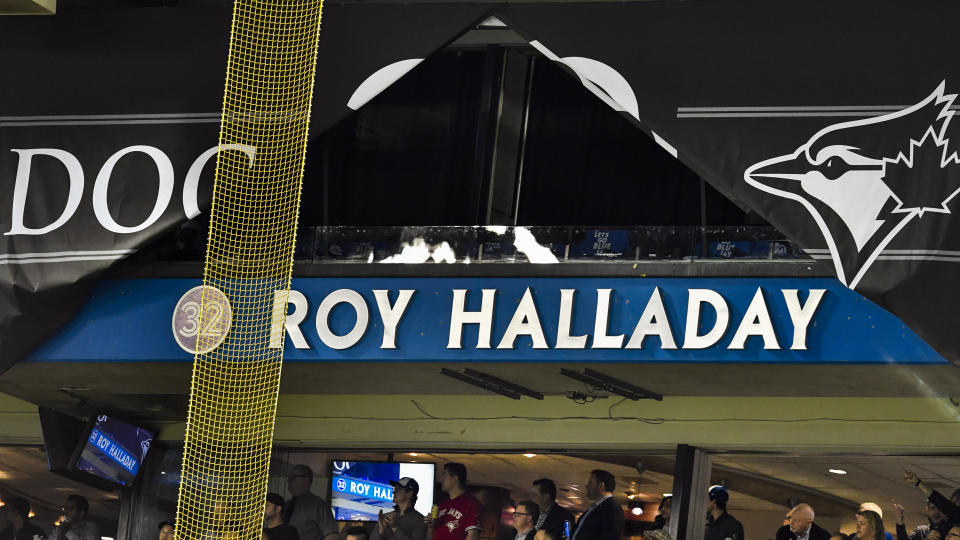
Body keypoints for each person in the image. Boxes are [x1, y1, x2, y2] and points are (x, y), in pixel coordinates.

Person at [425, 463, 482, 540]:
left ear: (455, 479)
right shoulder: (443, 505)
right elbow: (431, 537)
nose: (441, 479)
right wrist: (431, 527)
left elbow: (473, 534)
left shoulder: (470, 503)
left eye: (445, 475)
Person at [285, 465, 337, 540]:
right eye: (288, 477)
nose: (289, 480)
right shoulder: (287, 505)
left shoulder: (318, 505)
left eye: (294, 477)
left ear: (306, 480)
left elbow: (332, 535)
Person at [571, 470, 623, 540]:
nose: (586, 485)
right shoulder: (596, 507)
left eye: (590, 482)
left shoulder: (611, 508)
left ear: (601, 486)